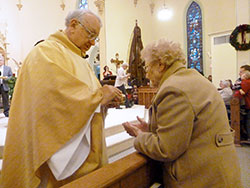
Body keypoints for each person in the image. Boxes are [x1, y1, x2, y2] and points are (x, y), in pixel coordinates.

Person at [1, 9, 122, 188]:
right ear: (73, 25)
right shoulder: (45, 52)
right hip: (58, 155)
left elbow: (88, 97)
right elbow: (54, 98)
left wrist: (104, 103)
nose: (92, 42)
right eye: (90, 34)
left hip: (87, 151)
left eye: (95, 37)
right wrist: (98, 97)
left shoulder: (80, 59)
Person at [122, 39, 242, 188]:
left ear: (160, 65)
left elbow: (165, 149)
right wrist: (151, 129)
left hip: (201, 179)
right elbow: (193, 130)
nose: (146, 74)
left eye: (147, 67)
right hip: (219, 173)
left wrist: (139, 135)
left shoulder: (174, 89)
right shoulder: (193, 78)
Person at [234, 71, 250, 142]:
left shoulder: (246, 82)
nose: (240, 75)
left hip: (248, 103)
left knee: (248, 121)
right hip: (247, 103)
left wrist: (239, 89)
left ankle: (248, 137)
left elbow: (242, 92)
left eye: (241, 74)